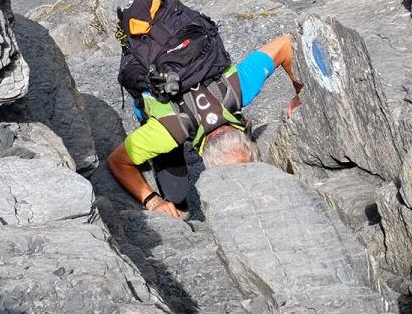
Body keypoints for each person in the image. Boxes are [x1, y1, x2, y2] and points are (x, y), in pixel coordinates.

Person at [107, 34, 303, 218]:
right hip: (156, 85)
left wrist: (301, 96)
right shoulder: (166, 132)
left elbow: (286, 44)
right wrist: (153, 201)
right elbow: (118, 161)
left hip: (173, 61)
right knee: (176, 196)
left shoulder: (237, 88)